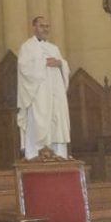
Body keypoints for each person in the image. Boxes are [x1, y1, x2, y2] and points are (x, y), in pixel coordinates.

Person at [17, 16, 71, 159]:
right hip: (37, 95)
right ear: (34, 27)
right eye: (42, 26)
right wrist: (43, 63)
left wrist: (60, 64)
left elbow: (63, 65)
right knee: (38, 122)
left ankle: (59, 156)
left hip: (55, 94)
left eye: (47, 26)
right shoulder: (27, 47)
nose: (45, 29)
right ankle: (35, 155)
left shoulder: (54, 48)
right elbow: (24, 68)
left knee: (57, 123)